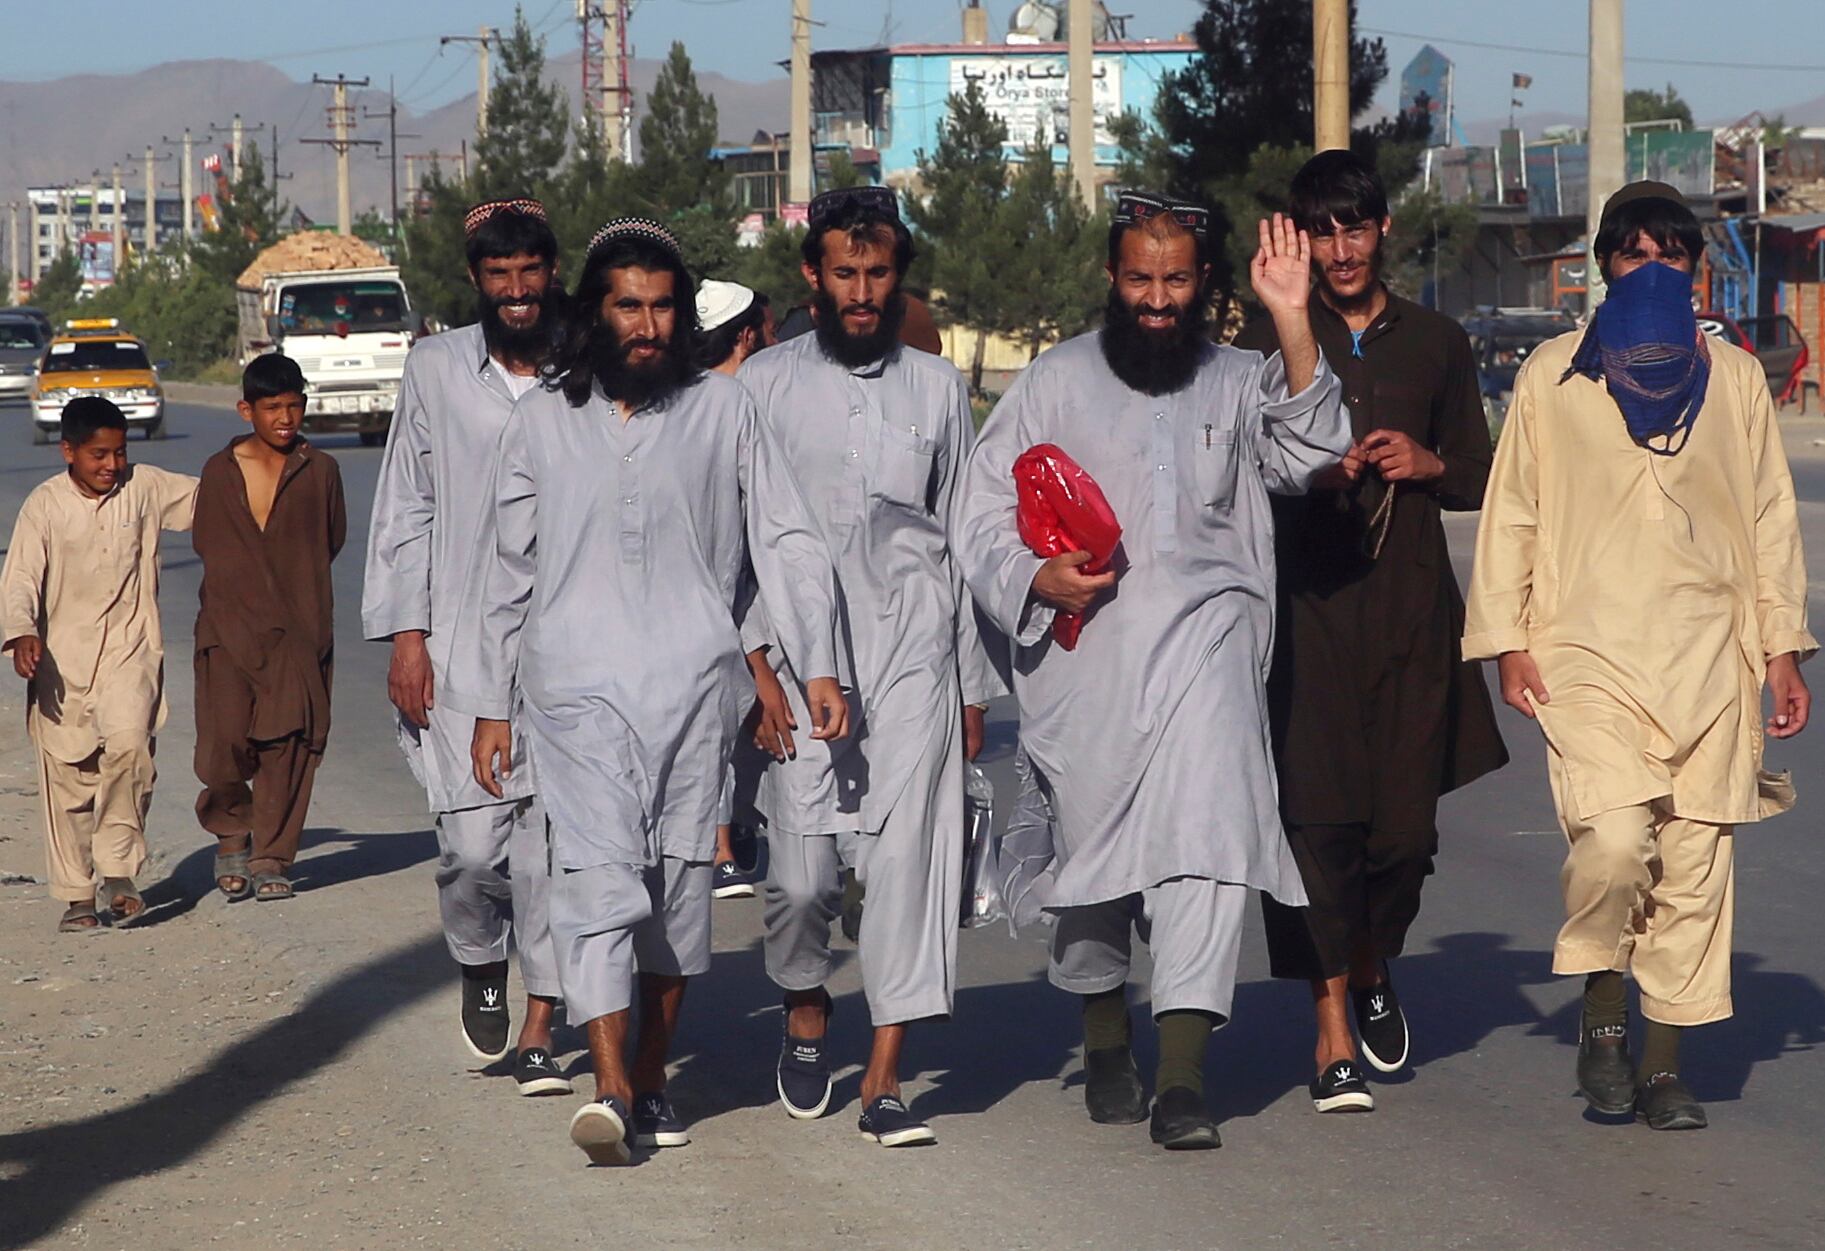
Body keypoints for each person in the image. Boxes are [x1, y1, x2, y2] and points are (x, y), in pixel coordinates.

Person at [447, 217, 848, 1165]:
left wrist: (815, 661)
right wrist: (492, 702)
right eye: (628, 305)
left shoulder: (724, 411)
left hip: (693, 691)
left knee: (675, 894)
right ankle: (611, 1085)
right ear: (594, 311)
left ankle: (655, 1076)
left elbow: (783, 541)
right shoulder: (543, 419)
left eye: (663, 307)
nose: (648, 325)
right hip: (573, 688)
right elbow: (506, 569)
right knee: (596, 880)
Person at [953, 193, 1350, 1150]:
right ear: (1111, 279)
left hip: (1209, 653)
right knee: (1092, 876)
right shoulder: (1051, 381)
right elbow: (975, 517)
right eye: (1140, 279)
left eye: (1176, 281)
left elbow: (1314, 451)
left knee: (1207, 852)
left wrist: (1294, 316)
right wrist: (1032, 575)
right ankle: (1102, 1037)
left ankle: (1182, 1074)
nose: (1158, 300)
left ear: (1203, 283)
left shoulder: (1241, 378)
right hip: (1087, 673)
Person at [1463, 180, 1814, 1131]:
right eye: (1634, 254)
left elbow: (1767, 519)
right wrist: (1503, 638)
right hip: (1586, 652)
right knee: (1615, 845)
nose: (1653, 270)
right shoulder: (1552, 375)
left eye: (1672, 255)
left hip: (1709, 654)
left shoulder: (1734, 380)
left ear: (1693, 271)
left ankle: (1661, 1064)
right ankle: (1604, 1008)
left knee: (1696, 863)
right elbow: (1513, 516)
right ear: (1601, 267)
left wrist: (1782, 648)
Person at [1234, 150, 1508, 1113]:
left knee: (1400, 839)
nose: (1340, 250)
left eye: (1356, 228)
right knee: (1317, 834)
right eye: (1322, 231)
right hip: (1303, 620)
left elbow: (1483, 478)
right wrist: (1319, 471)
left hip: (1408, 619)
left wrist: (1426, 460)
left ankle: (1370, 957)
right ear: (1298, 239)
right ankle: (1331, 1031)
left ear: (1383, 230)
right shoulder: (1264, 346)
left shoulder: (1434, 341)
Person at [737, 185, 1001, 1149]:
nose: (860, 291)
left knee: (906, 868)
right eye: (843, 273)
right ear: (812, 275)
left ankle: (884, 1077)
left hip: (914, 658)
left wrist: (971, 683)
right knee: (802, 879)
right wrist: (760, 670)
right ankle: (806, 1005)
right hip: (799, 661)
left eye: (877, 273)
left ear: (897, 276)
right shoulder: (760, 385)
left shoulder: (937, 390)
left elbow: (966, 540)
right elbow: (739, 544)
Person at [363, 198, 575, 1093]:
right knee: (476, 848)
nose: (517, 290)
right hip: (456, 642)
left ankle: (543, 1017)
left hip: (565, 642)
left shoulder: (586, 366)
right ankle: (483, 957)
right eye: (500, 274)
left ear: (551, 272)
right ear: (477, 281)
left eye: (530, 271)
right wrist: (408, 635)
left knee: (552, 849)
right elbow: (406, 506)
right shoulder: (437, 367)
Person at [2, 397, 196, 932]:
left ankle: (116, 868)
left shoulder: (145, 488)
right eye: (98, 454)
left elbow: (216, 499)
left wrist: (260, 459)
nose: (111, 465)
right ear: (69, 451)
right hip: (62, 662)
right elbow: (19, 579)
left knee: (131, 745)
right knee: (68, 780)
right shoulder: (44, 507)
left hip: (131, 651)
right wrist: (21, 632)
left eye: (119, 452)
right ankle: (76, 896)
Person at [192, 353, 346, 903]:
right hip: (228, 630)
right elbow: (208, 544)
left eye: (294, 406)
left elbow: (330, 540)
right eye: (272, 407)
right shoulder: (219, 470)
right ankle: (233, 833)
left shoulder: (320, 470)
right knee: (224, 743)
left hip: (297, 633)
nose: (285, 417)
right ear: (245, 410)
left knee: (289, 746)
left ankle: (271, 856)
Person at [692, 277, 793, 902]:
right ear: (748, 334)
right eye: (770, 330)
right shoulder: (730, 409)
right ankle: (720, 847)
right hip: (726, 609)